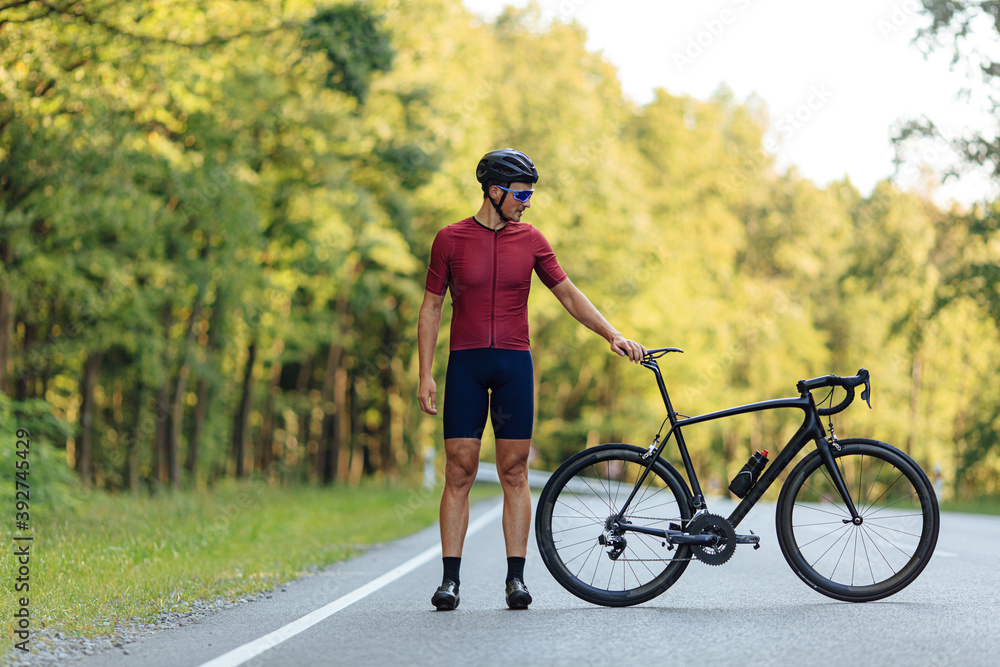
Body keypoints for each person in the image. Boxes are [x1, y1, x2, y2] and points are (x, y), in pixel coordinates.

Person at [417, 148, 645, 611]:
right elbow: (432, 308)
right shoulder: (449, 239)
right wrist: (424, 373)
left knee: (515, 471)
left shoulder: (533, 240)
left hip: (514, 367)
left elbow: (568, 293)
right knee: (458, 471)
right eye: (521, 193)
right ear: (494, 191)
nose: (527, 202)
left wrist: (611, 334)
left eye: (530, 194)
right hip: (465, 364)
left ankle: (515, 580)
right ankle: (450, 582)